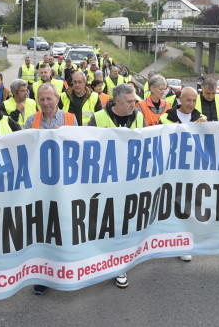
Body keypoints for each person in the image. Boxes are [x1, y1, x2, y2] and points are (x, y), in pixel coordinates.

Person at [88, 83, 144, 289]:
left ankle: (119, 266)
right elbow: (85, 148)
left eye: (134, 101)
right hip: (104, 183)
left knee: (123, 225)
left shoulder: (139, 116)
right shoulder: (97, 118)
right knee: (104, 224)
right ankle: (100, 261)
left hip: (130, 181)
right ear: (117, 101)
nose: (134, 105)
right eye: (129, 102)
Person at [23, 83, 77, 295]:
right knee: (42, 231)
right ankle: (43, 275)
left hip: (64, 185)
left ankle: (66, 271)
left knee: (64, 228)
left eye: (49, 99)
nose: (45, 103)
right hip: (39, 185)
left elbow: (78, 150)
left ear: (57, 98)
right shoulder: (31, 120)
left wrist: (63, 136)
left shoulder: (70, 120)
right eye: (42, 99)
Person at [158, 86, 205, 261]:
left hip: (190, 169)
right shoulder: (165, 118)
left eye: (194, 100)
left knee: (186, 204)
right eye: (188, 100)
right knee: (168, 204)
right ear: (180, 100)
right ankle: (166, 239)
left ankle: (184, 244)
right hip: (169, 168)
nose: (191, 104)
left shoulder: (202, 119)